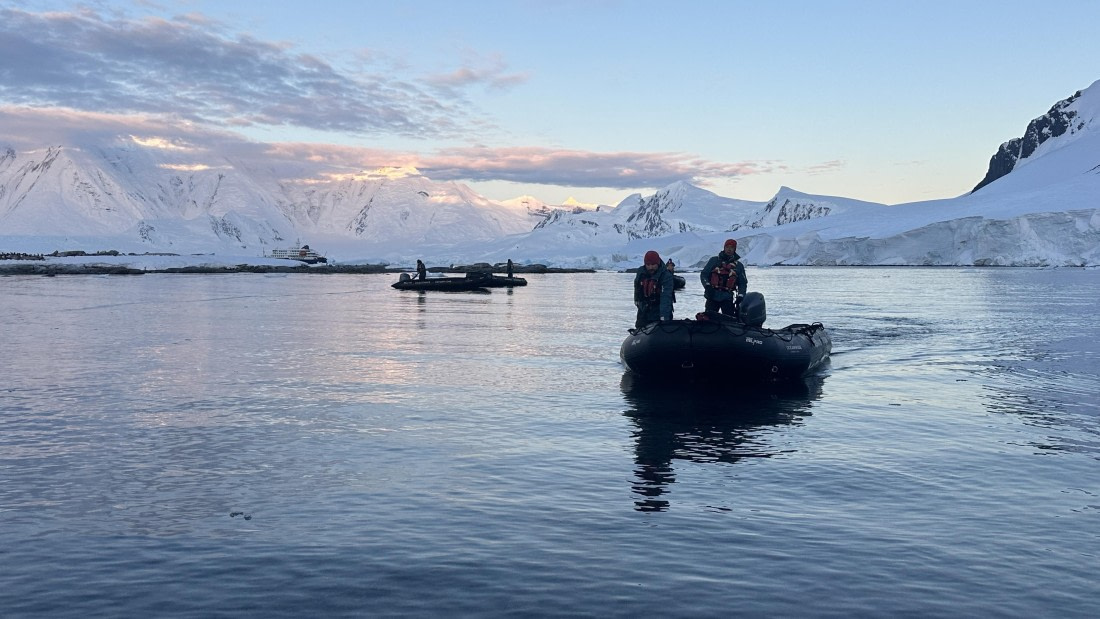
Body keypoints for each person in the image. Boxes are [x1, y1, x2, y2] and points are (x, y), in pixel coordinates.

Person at [700, 239, 747, 316]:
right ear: (724, 248)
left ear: (734, 249)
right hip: (712, 295)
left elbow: (742, 283)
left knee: (729, 320)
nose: (729, 249)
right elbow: (704, 274)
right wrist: (707, 286)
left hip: (727, 297)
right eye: (727, 247)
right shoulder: (714, 261)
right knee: (708, 319)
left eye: (731, 247)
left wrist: (741, 296)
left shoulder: (738, 266)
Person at [633, 250, 674, 329]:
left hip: (659, 310)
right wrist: (638, 303)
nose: (651, 267)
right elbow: (637, 290)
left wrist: (664, 319)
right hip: (644, 311)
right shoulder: (641, 273)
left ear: (658, 263)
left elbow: (666, 298)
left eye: (653, 264)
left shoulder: (665, 276)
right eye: (648, 265)